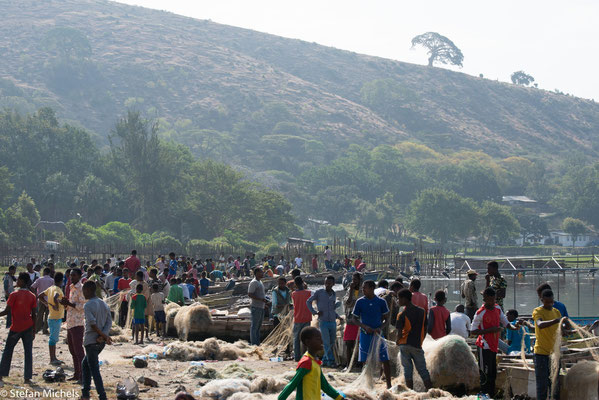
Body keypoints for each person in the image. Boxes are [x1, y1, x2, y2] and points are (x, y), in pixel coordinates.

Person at [278, 326, 345, 400]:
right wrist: (281, 398)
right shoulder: (306, 362)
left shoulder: (315, 362)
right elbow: (293, 384)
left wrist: (340, 398)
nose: (322, 341)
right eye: (318, 339)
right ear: (308, 342)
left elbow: (325, 386)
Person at [471, 287, 514, 398]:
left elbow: (506, 323)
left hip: (494, 345)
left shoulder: (497, 308)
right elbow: (473, 331)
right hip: (484, 345)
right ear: (485, 299)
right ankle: (484, 395)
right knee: (484, 373)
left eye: (494, 299)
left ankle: (490, 394)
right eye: (489, 299)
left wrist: (515, 327)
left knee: (492, 372)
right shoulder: (480, 312)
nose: (492, 302)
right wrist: (491, 330)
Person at [350, 280, 392, 388]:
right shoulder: (360, 302)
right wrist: (364, 327)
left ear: (372, 288)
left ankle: (389, 385)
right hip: (365, 334)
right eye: (362, 288)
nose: (363, 290)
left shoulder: (381, 302)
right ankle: (368, 384)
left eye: (365, 288)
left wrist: (380, 327)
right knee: (365, 361)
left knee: (385, 360)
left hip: (378, 335)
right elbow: (354, 319)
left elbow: (387, 319)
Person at [0, 272, 36, 386]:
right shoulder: (32, 296)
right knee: (28, 352)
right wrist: (34, 330)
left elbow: (6, 311)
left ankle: (2, 374)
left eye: (18, 280)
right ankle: (27, 377)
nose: (17, 281)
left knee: (8, 350)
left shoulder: (14, 295)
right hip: (28, 327)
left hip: (16, 327)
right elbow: (34, 314)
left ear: (22, 281)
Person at [395, 288, 432, 390]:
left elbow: (399, 333)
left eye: (399, 299)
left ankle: (410, 393)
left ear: (405, 299)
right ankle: (431, 391)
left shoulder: (401, 314)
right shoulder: (422, 311)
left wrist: (397, 341)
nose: (398, 301)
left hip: (405, 345)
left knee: (407, 371)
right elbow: (425, 329)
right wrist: (421, 341)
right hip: (417, 345)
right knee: (423, 370)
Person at [81, 280, 112, 400]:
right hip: (100, 342)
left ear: (88, 290)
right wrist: (104, 335)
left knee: (94, 370)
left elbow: (92, 324)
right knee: (85, 364)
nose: (83, 292)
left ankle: (102, 395)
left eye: (84, 290)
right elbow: (109, 322)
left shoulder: (88, 305)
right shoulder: (103, 303)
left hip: (91, 341)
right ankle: (85, 393)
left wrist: (102, 335)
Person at [532, 289, 564, 400]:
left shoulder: (556, 312)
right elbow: (540, 324)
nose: (550, 304)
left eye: (551, 302)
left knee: (554, 384)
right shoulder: (538, 311)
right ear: (542, 300)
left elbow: (561, 330)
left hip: (555, 354)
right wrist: (555, 321)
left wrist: (567, 325)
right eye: (547, 302)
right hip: (541, 353)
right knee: (542, 385)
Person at [306, 275, 339, 367]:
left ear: (333, 284)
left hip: (332, 321)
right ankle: (331, 361)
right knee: (326, 342)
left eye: (329, 283)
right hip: (323, 321)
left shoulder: (333, 294)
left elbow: (332, 308)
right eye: (326, 283)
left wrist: (337, 316)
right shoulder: (319, 292)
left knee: (331, 342)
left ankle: (324, 360)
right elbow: (308, 302)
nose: (327, 285)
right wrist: (314, 312)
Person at [60, 268, 86, 383]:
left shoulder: (81, 288)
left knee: (79, 351)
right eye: (71, 275)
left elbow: (82, 307)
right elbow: (70, 306)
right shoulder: (71, 288)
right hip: (70, 322)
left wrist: (69, 303)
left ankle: (83, 376)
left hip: (78, 323)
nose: (72, 277)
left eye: (74, 275)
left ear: (79, 276)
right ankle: (77, 374)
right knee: (72, 350)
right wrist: (65, 304)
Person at [39, 272, 65, 365]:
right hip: (55, 317)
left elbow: (40, 296)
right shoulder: (58, 289)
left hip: (52, 317)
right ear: (62, 280)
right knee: (53, 339)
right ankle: (52, 359)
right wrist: (56, 305)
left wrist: (47, 304)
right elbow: (55, 297)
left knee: (53, 338)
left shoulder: (50, 288)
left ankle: (53, 357)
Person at [342, 272, 362, 368]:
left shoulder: (363, 290)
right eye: (353, 279)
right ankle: (348, 364)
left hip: (361, 320)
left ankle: (360, 363)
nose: (354, 281)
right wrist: (350, 291)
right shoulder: (350, 290)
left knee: (360, 343)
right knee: (349, 342)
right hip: (351, 320)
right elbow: (347, 302)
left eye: (356, 279)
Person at [291, 276, 312, 361]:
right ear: (303, 282)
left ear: (295, 284)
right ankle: (306, 357)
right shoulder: (308, 293)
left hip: (298, 318)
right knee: (306, 338)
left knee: (296, 338)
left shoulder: (293, 294)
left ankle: (297, 357)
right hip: (307, 318)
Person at [31, 266, 53, 334]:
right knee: (47, 315)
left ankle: (37, 329)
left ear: (44, 272)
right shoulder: (52, 280)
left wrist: (36, 295)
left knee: (39, 315)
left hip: (41, 299)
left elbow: (32, 287)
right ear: (49, 273)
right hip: (49, 300)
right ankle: (45, 329)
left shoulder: (40, 279)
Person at [248, 267, 268, 345]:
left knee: (258, 327)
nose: (262, 274)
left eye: (262, 272)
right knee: (254, 327)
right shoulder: (254, 282)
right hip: (256, 307)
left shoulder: (260, 282)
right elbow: (250, 294)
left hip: (261, 307)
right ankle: (254, 344)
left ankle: (257, 343)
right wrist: (261, 300)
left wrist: (265, 302)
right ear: (256, 273)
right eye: (261, 272)